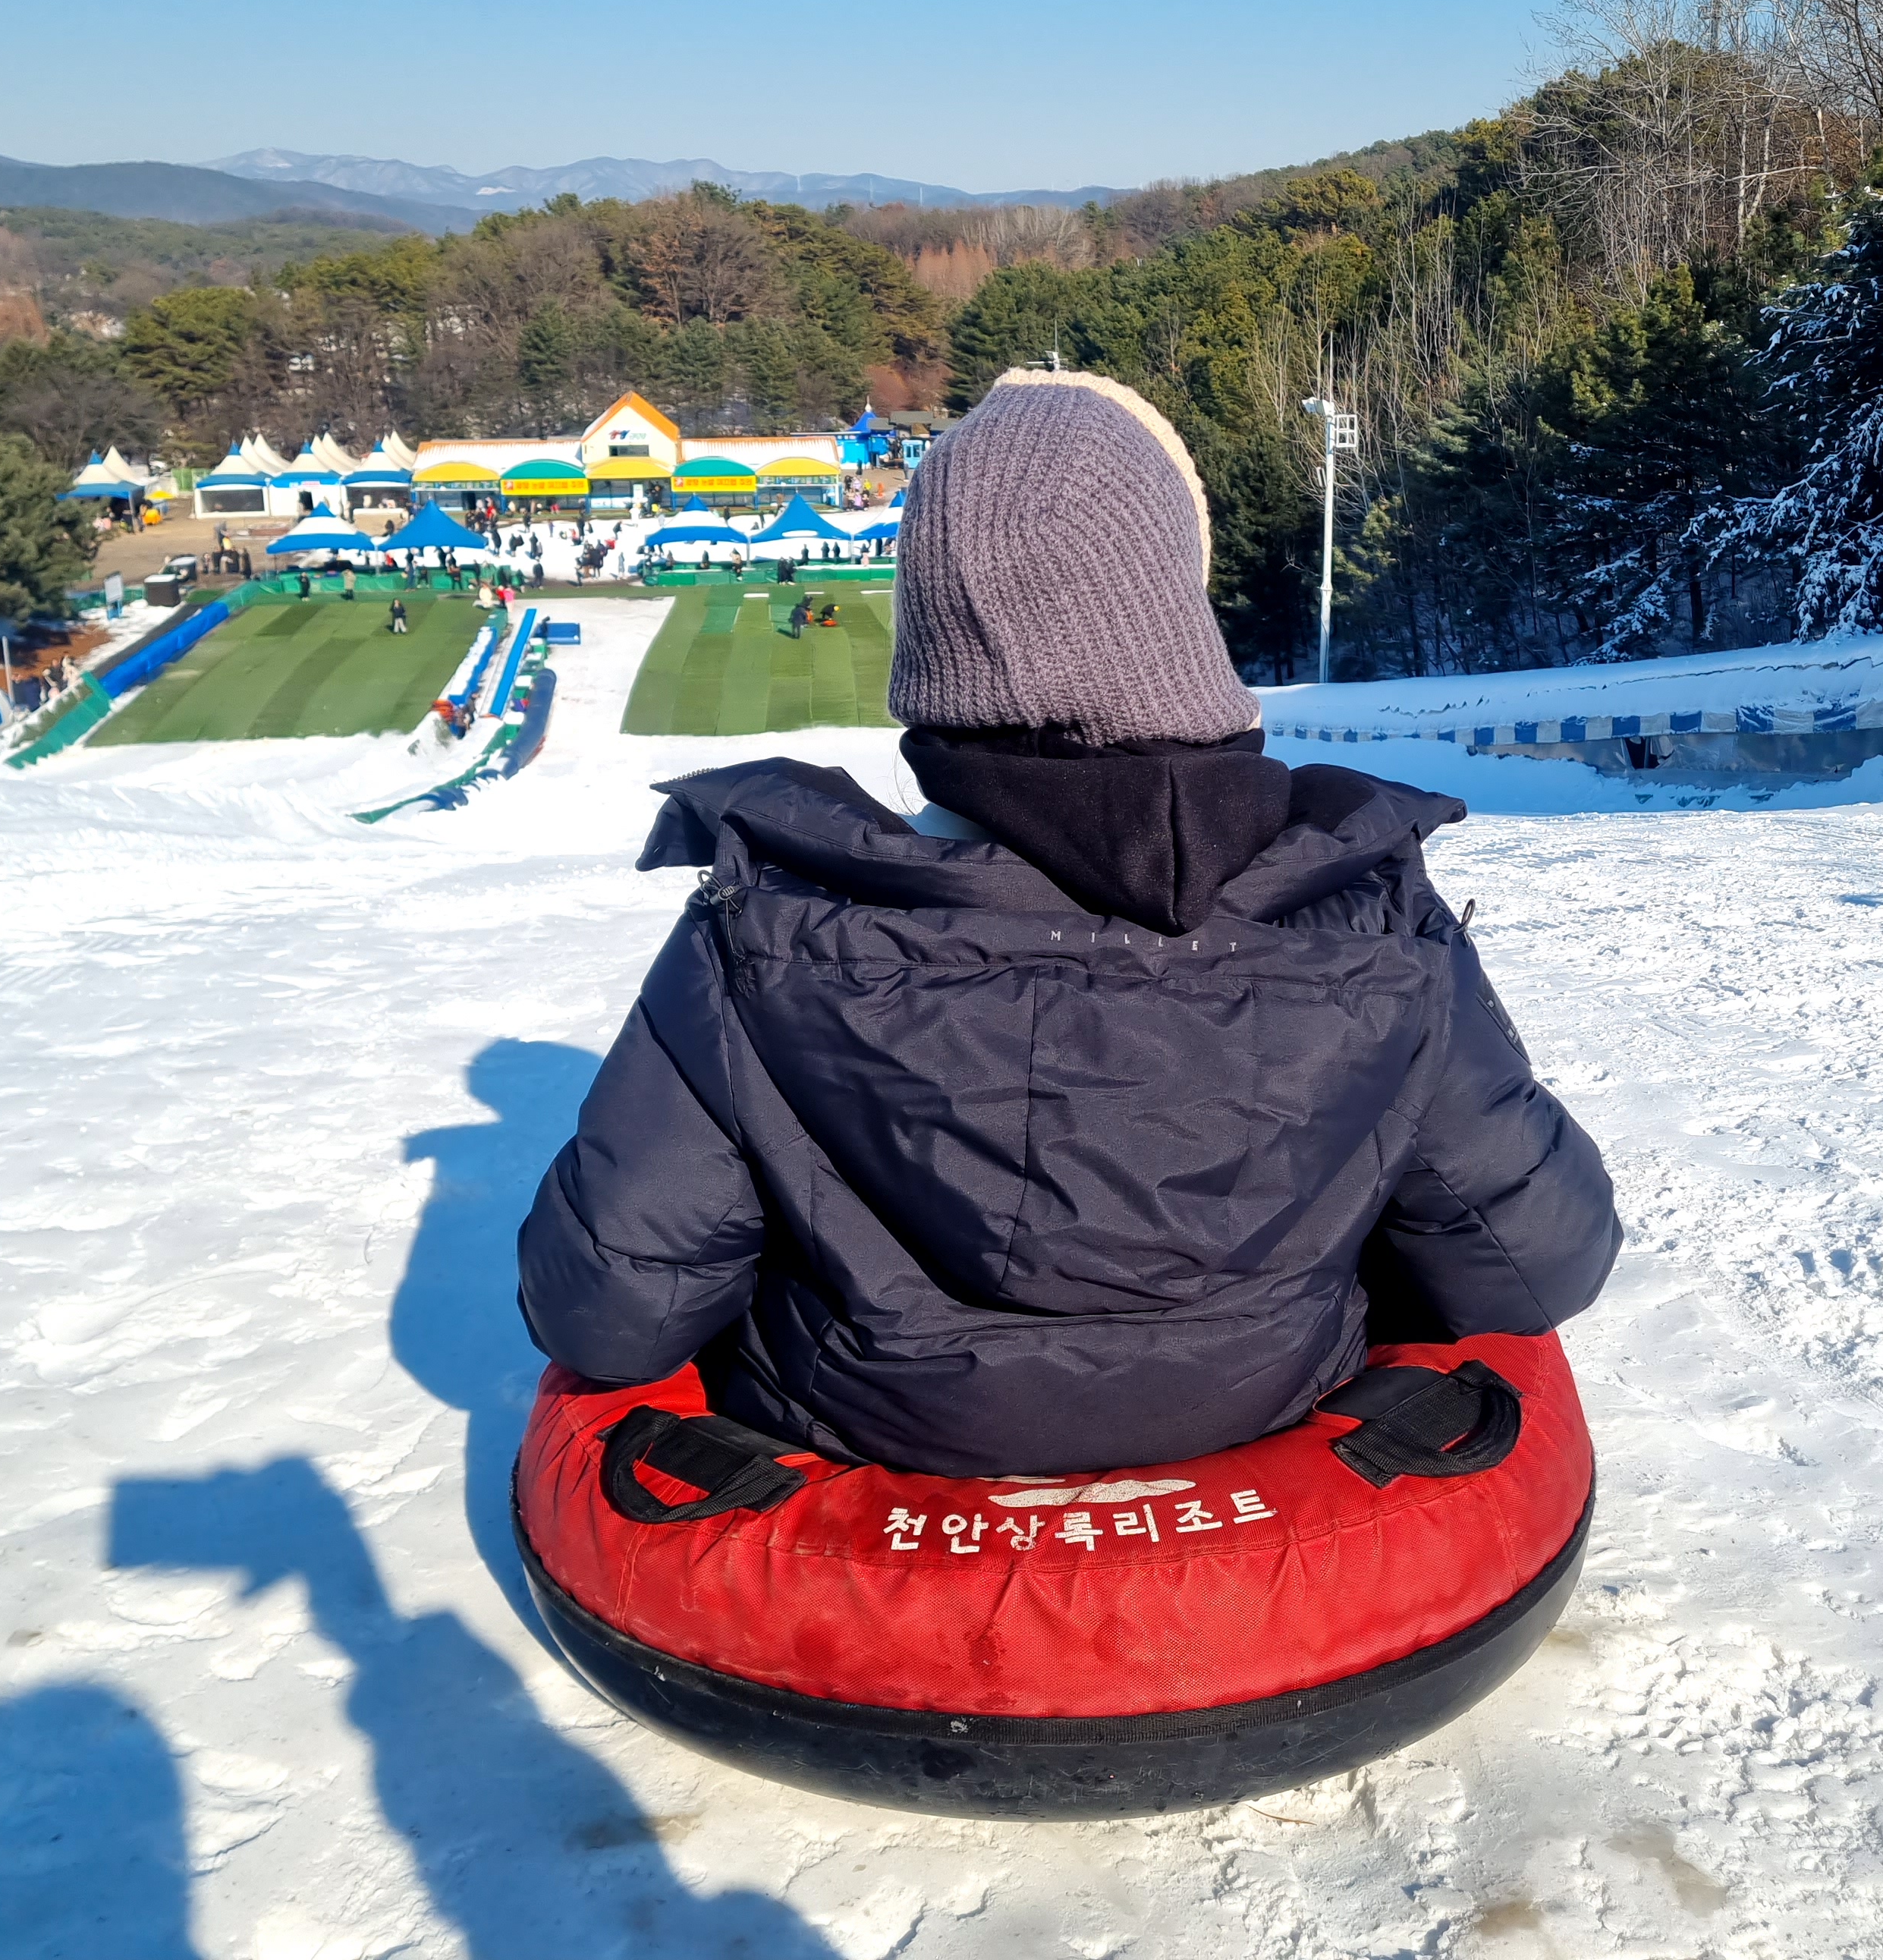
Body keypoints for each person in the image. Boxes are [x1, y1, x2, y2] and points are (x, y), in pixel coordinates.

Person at [517, 369, 1618, 1479]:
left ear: (939, 654)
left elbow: (611, 1312)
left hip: (872, 1444)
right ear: (1176, 623)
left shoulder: (765, 926)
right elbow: (1538, 1262)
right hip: (1277, 1419)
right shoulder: (1368, 908)